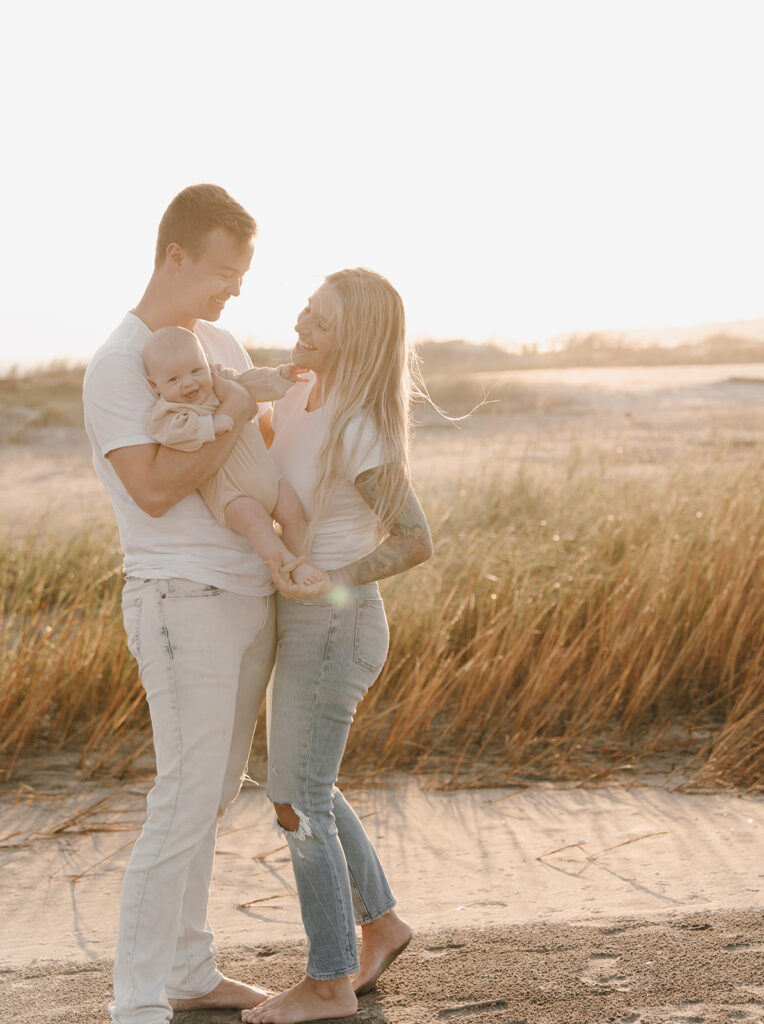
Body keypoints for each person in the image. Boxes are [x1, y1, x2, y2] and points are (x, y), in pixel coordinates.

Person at [83, 184, 277, 1024]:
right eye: (225, 271)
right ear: (176, 255)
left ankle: (192, 972)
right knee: (183, 793)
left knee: (216, 789)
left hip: (248, 592)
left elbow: (252, 452)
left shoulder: (222, 341)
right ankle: (135, 1003)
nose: (234, 288)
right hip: (178, 599)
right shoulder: (117, 365)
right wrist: (236, 407)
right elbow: (156, 490)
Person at [241, 268, 434, 1024]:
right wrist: (244, 386)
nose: (300, 322)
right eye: (306, 310)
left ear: (352, 336)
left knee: (296, 800)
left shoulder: (358, 422)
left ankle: (328, 983)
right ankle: (380, 923)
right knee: (301, 785)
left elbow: (416, 539)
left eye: (318, 319)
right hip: (304, 624)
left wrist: (335, 579)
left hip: (338, 624)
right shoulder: (297, 396)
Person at [142, 325, 321, 586]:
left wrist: (282, 375)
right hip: (232, 496)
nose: (189, 382)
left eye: (196, 370)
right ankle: (288, 568)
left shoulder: (218, 381)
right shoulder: (166, 411)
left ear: (206, 362)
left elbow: (250, 381)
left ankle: (305, 563)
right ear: (154, 385)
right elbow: (168, 432)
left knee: (293, 512)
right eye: (174, 379)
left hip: (268, 478)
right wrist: (209, 425)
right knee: (258, 525)